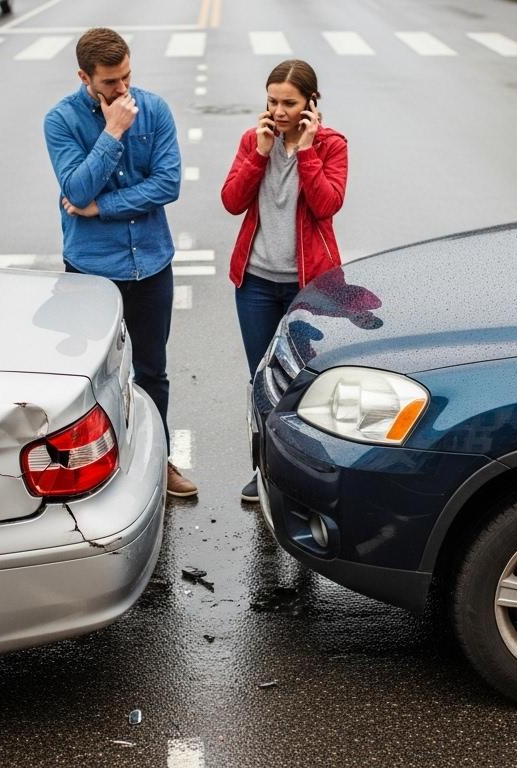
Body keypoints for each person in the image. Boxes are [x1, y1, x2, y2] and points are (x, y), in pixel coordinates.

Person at [44, 27, 197, 498]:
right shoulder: (62, 120)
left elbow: (168, 185)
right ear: (85, 78)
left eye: (126, 76)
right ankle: (101, 472)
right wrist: (112, 133)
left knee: (153, 371)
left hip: (151, 263)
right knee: (94, 377)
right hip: (92, 270)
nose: (122, 89)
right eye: (111, 82)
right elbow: (77, 190)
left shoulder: (155, 109)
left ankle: (159, 460)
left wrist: (103, 208)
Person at [221, 59, 348, 503]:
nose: (278, 111)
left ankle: (309, 477)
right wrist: (258, 154)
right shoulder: (253, 141)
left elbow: (327, 205)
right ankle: (264, 471)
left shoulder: (332, 145)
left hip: (308, 288)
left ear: (311, 103)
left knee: (307, 384)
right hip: (255, 283)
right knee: (261, 382)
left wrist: (308, 150)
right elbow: (232, 201)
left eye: (289, 103)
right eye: (272, 101)